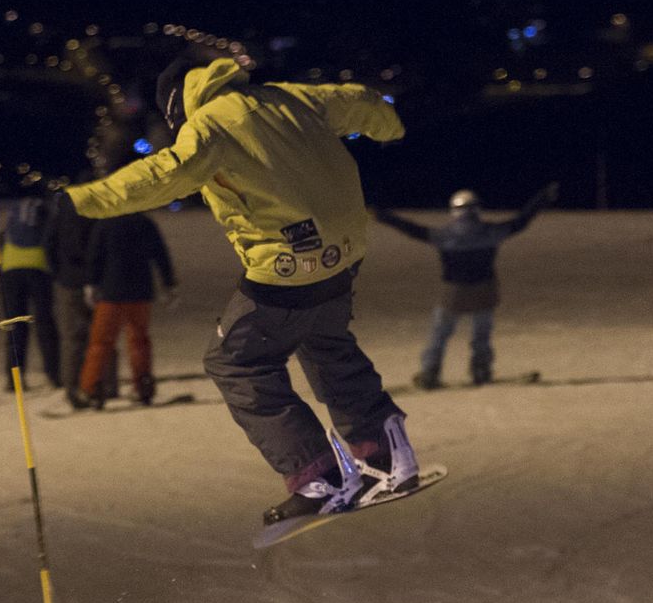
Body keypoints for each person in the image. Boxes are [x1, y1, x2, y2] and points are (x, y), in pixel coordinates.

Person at [65, 55, 419, 525]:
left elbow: (159, 176)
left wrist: (76, 202)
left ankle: (318, 476)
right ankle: (385, 452)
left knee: (235, 361)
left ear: (177, 106)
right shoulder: (289, 97)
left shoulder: (208, 127)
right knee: (326, 342)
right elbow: (357, 101)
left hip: (289, 262)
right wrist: (390, 126)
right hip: (345, 253)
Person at [375, 182, 558, 389]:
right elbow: (521, 222)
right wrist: (542, 198)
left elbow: (411, 229)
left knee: (440, 334)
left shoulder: (445, 236)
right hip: (485, 290)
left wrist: (381, 216)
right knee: (481, 335)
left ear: (454, 210)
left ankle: (430, 373)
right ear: (477, 208)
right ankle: (481, 370)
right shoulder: (490, 232)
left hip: (454, 293)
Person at [78, 210, 177, 408]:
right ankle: (143, 386)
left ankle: (92, 388)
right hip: (140, 291)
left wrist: (90, 283)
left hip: (111, 292)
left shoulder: (106, 222)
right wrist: (168, 283)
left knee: (101, 342)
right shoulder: (144, 222)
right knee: (139, 340)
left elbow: (95, 254)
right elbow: (160, 253)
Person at [44, 185, 116, 409]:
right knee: (101, 337)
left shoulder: (61, 215)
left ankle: (73, 387)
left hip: (68, 283)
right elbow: (104, 248)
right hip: (97, 284)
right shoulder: (98, 213)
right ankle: (102, 385)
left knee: (72, 340)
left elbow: (49, 245)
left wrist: (59, 274)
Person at [0, 189, 61, 391]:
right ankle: (54, 374)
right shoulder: (46, 210)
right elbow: (52, 239)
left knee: (16, 325)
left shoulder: (14, 210)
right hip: (38, 267)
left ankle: (14, 378)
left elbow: (1, 237)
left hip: (11, 268)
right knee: (45, 323)